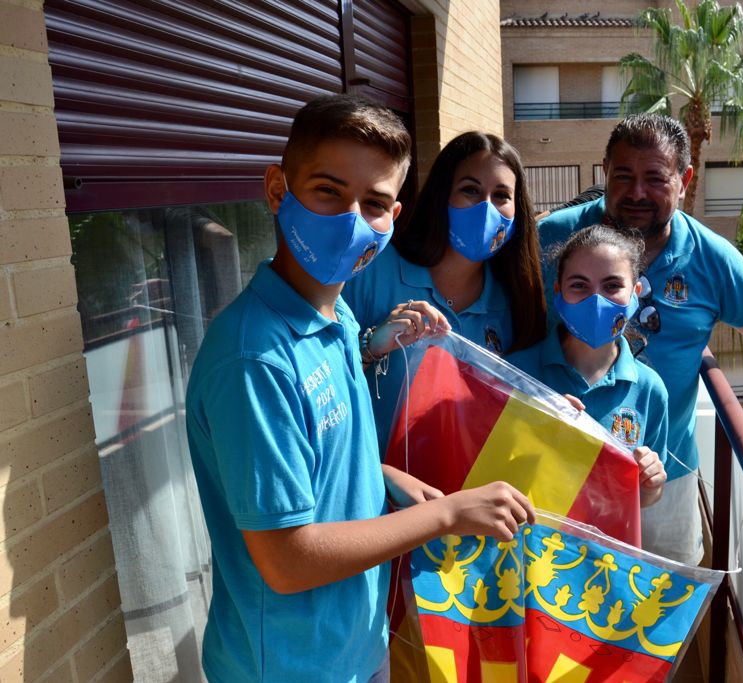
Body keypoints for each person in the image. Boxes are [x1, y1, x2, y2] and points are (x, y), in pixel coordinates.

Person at [185, 95, 535, 683]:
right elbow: (288, 560)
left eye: (373, 204)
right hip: (288, 668)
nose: (351, 218)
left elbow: (337, 454)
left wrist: (389, 479)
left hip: (354, 646)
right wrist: (448, 514)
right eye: (328, 190)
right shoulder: (254, 360)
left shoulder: (337, 314)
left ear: (394, 216)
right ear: (277, 191)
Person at [538, 113, 743, 564]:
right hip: (554, 463)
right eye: (623, 176)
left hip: (663, 477)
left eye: (655, 178)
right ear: (604, 172)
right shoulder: (551, 238)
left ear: (685, 179)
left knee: (660, 606)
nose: (636, 192)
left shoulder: (712, 259)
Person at [343, 131, 547, 453]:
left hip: (467, 495)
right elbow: (324, 375)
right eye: (470, 190)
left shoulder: (516, 302)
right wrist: (371, 346)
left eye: (501, 196)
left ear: (516, 210)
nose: (485, 209)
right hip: (376, 490)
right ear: (441, 196)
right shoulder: (372, 270)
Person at [507, 224, 669, 509]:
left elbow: (644, 498)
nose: (596, 300)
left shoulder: (650, 390)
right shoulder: (515, 372)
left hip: (605, 551)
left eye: (612, 286)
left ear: (636, 291)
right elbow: (492, 472)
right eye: (579, 285)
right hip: (531, 544)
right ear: (558, 291)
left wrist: (652, 483)